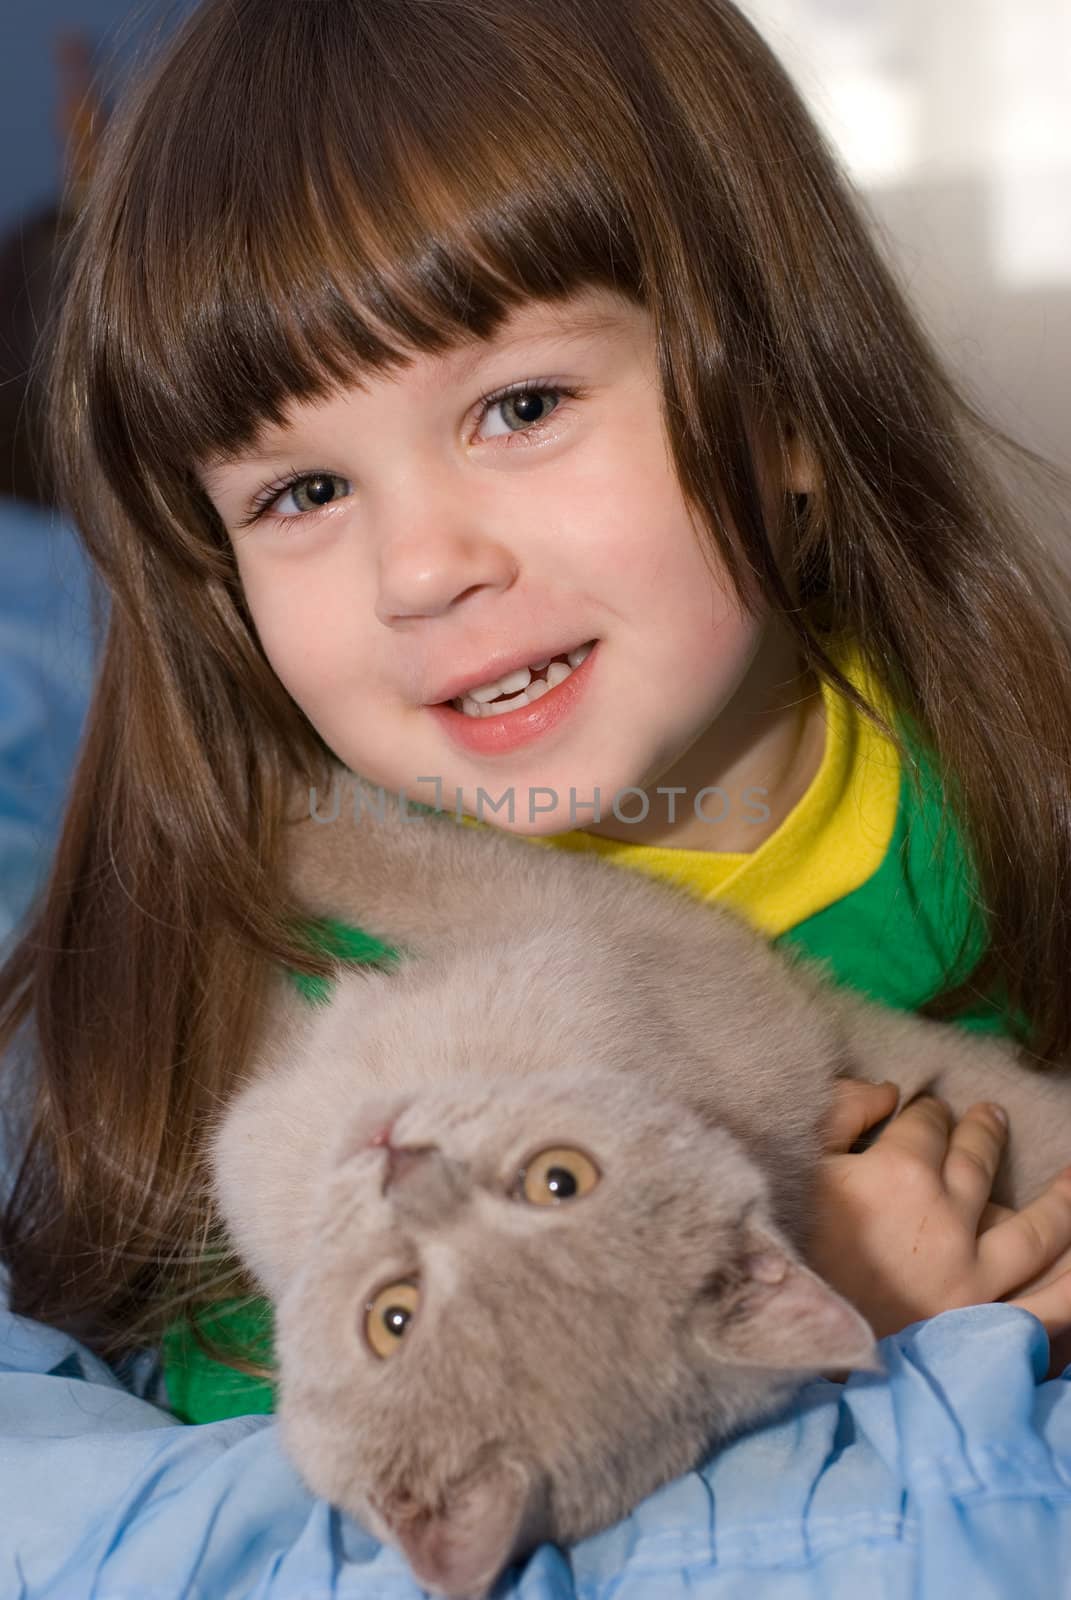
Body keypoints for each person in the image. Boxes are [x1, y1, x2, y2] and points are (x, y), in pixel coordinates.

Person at [2, 0, 1071, 1428]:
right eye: (303, 493)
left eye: (519, 408)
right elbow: (330, 1460)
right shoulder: (329, 1040)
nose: (425, 568)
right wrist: (789, 1334)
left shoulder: (1011, 772)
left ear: (785, 408)